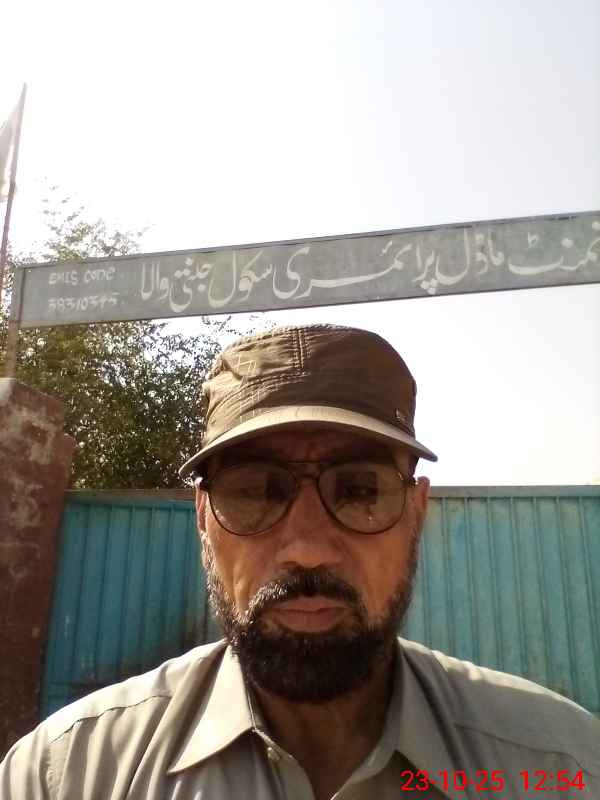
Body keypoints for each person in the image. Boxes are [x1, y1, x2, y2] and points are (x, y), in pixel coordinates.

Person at [1, 323, 599, 799]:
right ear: (203, 517)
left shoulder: (563, 768)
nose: (308, 548)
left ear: (416, 513)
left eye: (359, 491)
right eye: (255, 491)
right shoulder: (67, 776)